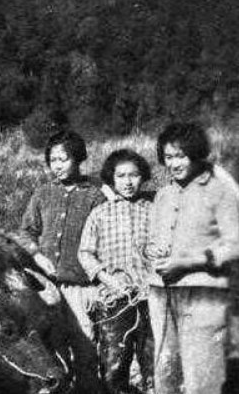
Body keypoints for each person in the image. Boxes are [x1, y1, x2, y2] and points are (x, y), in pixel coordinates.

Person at [144, 122, 239, 394]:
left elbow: (235, 244)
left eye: (181, 156)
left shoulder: (219, 191)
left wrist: (188, 261)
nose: (174, 164)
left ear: (196, 154)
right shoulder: (163, 194)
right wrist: (153, 251)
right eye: (169, 157)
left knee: (202, 378)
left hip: (204, 295)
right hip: (161, 293)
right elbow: (152, 240)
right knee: (166, 374)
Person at [14, 130, 105, 340]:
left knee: (85, 341)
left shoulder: (95, 195)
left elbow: (103, 240)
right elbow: (25, 232)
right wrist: (36, 255)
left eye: (63, 159)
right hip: (45, 285)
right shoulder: (43, 193)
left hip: (81, 286)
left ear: (78, 158)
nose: (57, 166)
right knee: (49, 342)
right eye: (53, 160)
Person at [79, 149, 154, 394]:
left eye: (134, 175)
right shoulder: (100, 213)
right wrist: (107, 279)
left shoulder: (154, 209)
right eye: (121, 176)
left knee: (153, 362)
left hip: (151, 298)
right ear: (111, 178)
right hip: (114, 301)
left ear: (143, 177)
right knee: (113, 366)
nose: (128, 182)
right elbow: (85, 253)